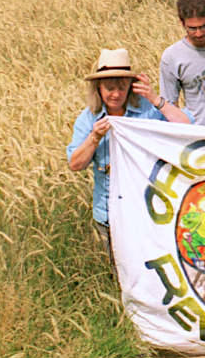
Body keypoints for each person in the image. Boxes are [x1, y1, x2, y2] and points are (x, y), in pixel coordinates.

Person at [68, 49, 190, 258]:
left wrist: (154, 98)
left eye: (122, 88)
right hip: (108, 214)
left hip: (148, 212)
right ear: (98, 88)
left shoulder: (147, 110)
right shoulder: (88, 119)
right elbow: (75, 164)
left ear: (130, 88)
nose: (115, 94)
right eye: (109, 88)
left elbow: (186, 127)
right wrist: (94, 138)